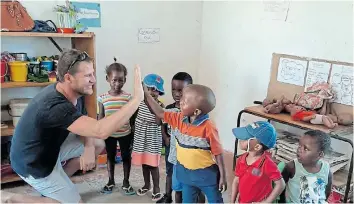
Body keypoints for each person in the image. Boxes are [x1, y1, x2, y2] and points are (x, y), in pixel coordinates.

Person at [3, 49, 144, 203]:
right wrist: (136, 99)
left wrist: (89, 149)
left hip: (49, 149)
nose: (94, 80)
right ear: (68, 78)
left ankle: (60, 182)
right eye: (88, 76)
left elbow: (87, 124)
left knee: (96, 144)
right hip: (33, 163)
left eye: (93, 73)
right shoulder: (55, 106)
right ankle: (11, 198)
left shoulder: (74, 92)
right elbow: (100, 130)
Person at [144, 83, 227, 203]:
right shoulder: (178, 118)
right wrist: (146, 94)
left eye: (185, 101)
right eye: (182, 97)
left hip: (206, 175)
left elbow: (218, 153)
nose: (181, 101)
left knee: (215, 201)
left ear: (196, 111)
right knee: (187, 201)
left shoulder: (209, 127)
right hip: (186, 174)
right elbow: (161, 113)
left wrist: (223, 177)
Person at [157, 72, 205, 203]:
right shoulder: (169, 108)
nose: (177, 94)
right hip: (172, 148)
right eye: (173, 89)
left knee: (192, 179)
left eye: (181, 90)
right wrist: (165, 137)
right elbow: (163, 123)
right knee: (170, 172)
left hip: (188, 151)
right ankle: (168, 196)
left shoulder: (193, 111)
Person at [98, 58, 136, 195]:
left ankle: (126, 181)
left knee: (126, 157)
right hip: (109, 134)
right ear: (107, 79)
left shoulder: (128, 98)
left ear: (125, 80)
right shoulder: (102, 98)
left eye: (121, 80)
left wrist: (132, 134)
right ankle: (111, 180)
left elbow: (132, 118)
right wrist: (99, 132)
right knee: (110, 157)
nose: (117, 83)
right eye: (114, 80)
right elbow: (101, 117)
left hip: (125, 133)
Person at [231, 121, 285, 203]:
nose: (240, 139)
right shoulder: (241, 159)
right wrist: (232, 201)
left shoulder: (267, 164)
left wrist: (266, 202)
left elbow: (281, 184)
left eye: (245, 138)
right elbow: (236, 181)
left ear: (257, 147)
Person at [132, 74, 165, 202]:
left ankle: (156, 188)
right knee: (144, 163)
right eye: (149, 88)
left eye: (155, 89)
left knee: (152, 164)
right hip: (141, 136)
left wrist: (151, 104)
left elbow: (158, 122)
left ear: (160, 92)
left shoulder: (159, 105)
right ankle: (147, 184)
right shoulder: (139, 101)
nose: (152, 92)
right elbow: (134, 116)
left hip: (152, 137)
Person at [279, 130, 333, 203]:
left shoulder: (326, 169)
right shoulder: (292, 167)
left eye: (306, 149)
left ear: (320, 154)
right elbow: (281, 187)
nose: (299, 150)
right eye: (299, 146)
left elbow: (327, 191)